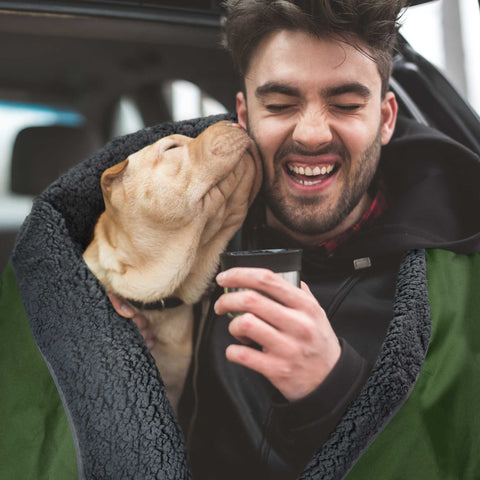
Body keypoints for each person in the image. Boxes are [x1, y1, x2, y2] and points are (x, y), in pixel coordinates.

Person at [1, 1, 479, 479]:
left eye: (347, 104)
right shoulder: (182, 234)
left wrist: (337, 394)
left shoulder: (461, 290)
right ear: (243, 114)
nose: (311, 133)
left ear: (387, 117)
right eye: (280, 104)